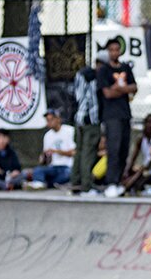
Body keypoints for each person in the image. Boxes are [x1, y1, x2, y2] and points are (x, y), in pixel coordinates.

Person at [97, 38, 137, 198]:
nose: (114, 52)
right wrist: (124, 90)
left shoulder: (126, 67)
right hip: (111, 115)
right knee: (113, 149)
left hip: (125, 114)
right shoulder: (104, 70)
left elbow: (134, 87)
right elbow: (107, 93)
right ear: (108, 51)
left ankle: (119, 180)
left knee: (123, 149)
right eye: (111, 50)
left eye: (116, 49)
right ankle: (111, 183)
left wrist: (119, 88)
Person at [71, 51, 107, 196]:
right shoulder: (96, 78)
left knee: (79, 152)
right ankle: (86, 186)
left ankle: (76, 182)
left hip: (78, 118)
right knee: (88, 153)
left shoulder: (81, 74)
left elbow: (76, 96)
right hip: (91, 120)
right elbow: (94, 101)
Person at [26, 110, 75, 189]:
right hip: (54, 167)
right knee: (38, 170)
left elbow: (74, 152)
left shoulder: (70, 130)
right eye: (47, 120)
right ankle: (40, 184)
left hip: (68, 167)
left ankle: (43, 183)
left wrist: (55, 151)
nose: (49, 122)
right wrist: (44, 157)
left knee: (69, 174)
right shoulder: (47, 135)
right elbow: (46, 160)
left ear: (58, 119)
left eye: (51, 119)